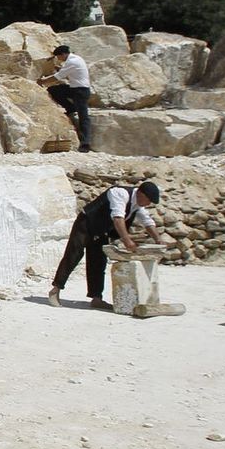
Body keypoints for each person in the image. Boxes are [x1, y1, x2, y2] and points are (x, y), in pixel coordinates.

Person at [49, 181, 164, 309]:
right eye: (148, 200)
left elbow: (147, 222)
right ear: (141, 194)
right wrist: (127, 240)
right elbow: (117, 218)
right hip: (86, 223)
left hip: (101, 230)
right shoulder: (120, 193)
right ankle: (55, 290)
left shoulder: (137, 204)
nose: (148, 204)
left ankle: (96, 298)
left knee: (99, 261)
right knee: (73, 255)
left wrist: (158, 240)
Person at [41, 45, 93, 152]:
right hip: (76, 88)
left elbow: (57, 77)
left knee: (83, 117)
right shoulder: (76, 58)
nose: (58, 59)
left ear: (63, 54)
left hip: (80, 91)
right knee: (54, 90)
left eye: (58, 57)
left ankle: (85, 144)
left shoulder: (72, 62)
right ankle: (71, 108)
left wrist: (42, 81)